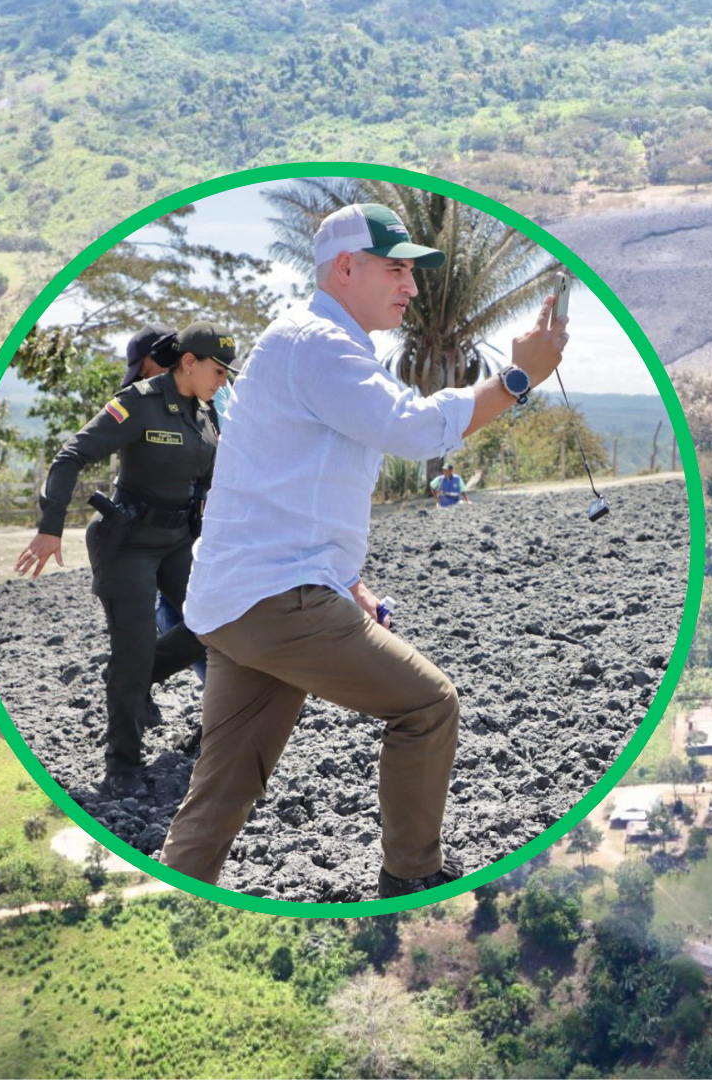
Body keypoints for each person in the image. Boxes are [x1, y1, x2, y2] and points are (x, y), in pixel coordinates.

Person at [160, 202, 569, 898]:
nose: (411, 287)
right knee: (428, 705)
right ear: (344, 268)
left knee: (224, 786)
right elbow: (413, 430)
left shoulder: (309, 344)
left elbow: (285, 488)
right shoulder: (318, 343)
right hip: (276, 598)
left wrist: (347, 583)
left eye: (412, 272)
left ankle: (176, 895)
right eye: (396, 269)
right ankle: (412, 879)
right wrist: (517, 381)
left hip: (238, 601)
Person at [14, 322, 237, 797]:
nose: (223, 380)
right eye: (218, 370)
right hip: (129, 543)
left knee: (215, 623)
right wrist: (50, 525)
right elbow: (72, 453)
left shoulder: (206, 411)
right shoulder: (138, 402)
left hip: (179, 539)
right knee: (132, 649)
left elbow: (210, 479)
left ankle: (136, 676)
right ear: (189, 362)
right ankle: (123, 764)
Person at [125, 325, 211, 691]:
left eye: (146, 372)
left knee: (182, 613)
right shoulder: (155, 405)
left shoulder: (203, 400)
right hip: (180, 531)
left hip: (202, 528)